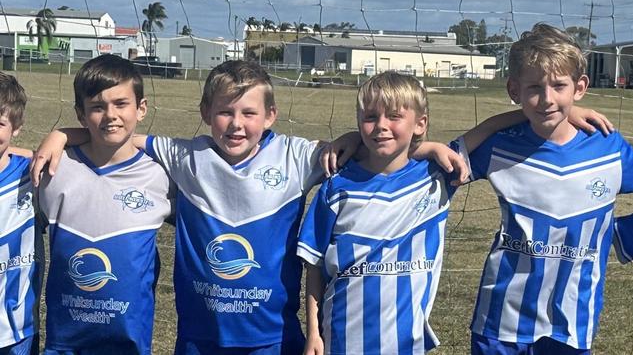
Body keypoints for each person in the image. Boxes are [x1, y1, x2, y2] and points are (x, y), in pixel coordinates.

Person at [30, 60, 469, 354]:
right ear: (205, 112)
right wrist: (62, 136)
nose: (236, 124)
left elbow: (377, 148)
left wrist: (422, 147)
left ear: (272, 115)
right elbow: (116, 134)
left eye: (249, 112)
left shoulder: (299, 157)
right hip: (200, 337)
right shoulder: (187, 155)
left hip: (272, 338)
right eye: (224, 112)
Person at [297, 71, 612, 355]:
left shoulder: (436, 175)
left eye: (394, 116)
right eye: (370, 117)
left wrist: (563, 111)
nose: (381, 125)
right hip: (340, 335)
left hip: (406, 341)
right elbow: (315, 267)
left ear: (420, 124)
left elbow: (486, 128)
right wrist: (313, 332)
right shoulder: (336, 187)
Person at [451, 23, 633, 354]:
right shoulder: (499, 146)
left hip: (572, 323)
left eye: (559, 86)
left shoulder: (608, 148)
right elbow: (427, 168)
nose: (546, 99)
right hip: (501, 323)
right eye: (534, 89)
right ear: (514, 90)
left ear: (580, 87)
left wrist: (627, 231)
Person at [38, 54, 173, 354]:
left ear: (141, 109)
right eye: (97, 107)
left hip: (129, 343)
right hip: (65, 343)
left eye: (121, 104)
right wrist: (58, 135)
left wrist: (61, 134)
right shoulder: (53, 168)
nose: (110, 115)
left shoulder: (162, 175)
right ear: (81, 115)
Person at [0, 72, 42, 355]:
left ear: (16, 127)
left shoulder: (33, 174)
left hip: (17, 330)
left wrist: (59, 138)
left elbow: (94, 141)